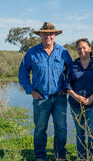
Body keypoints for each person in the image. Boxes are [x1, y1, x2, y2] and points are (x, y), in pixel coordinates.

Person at [18, 22, 72, 161]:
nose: (48, 36)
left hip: (59, 98)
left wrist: (66, 87)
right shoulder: (32, 52)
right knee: (40, 129)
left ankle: (60, 156)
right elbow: (23, 72)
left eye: (50, 33)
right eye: (44, 33)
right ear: (40, 35)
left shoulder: (63, 52)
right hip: (40, 98)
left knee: (61, 128)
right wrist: (31, 91)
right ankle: (40, 156)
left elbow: (71, 72)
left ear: (55, 35)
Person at [65, 38, 93, 160]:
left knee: (92, 133)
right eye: (79, 48)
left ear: (90, 49)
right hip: (75, 103)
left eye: (84, 47)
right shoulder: (72, 65)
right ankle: (81, 157)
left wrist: (92, 98)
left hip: (92, 104)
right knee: (80, 132)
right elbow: (67, 85)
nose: (81, 50)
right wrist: (76, 97)